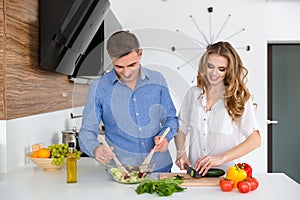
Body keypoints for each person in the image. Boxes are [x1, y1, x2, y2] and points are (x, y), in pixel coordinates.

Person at [78, 30, 178, 172]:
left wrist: (165, 137)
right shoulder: (99, 87)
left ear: (140, 54)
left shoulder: (158, 80)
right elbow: (86, 131)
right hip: (121, 171)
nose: (126, 72)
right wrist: (95, 149)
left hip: (159, 168)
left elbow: (171, 119)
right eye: (119, 67)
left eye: (132, 65)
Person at [175, 41, 261, 175]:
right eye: (210, 66)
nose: (214, 73)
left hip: (229, 176)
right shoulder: (194, 94)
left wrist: (221, 158)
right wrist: (181, 152)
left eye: (221, 69)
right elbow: (181, 127)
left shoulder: (238, 97)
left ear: (230, 71)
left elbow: (255, 139)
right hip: (195, 175)